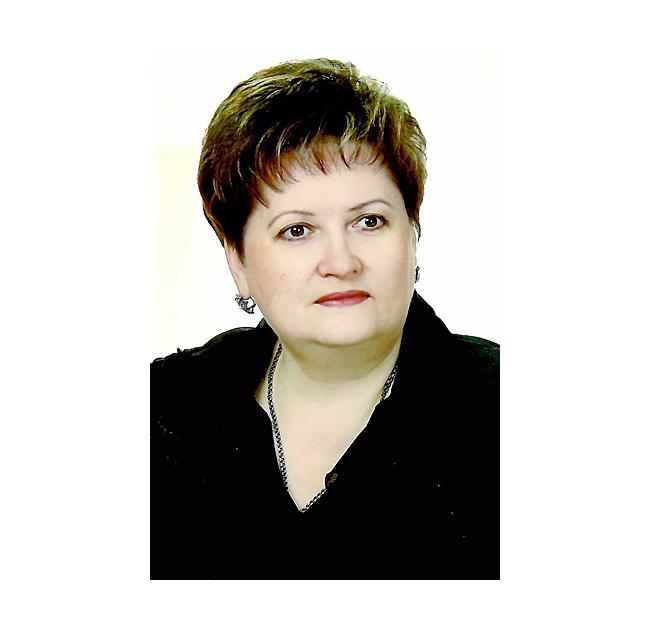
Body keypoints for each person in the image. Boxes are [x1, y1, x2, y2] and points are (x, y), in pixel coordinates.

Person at [150, 58, 499, 579]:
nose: (341, 262)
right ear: (238, 262)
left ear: (412, 235)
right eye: (296, 230)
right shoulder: (164, 403)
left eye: (369, 221)